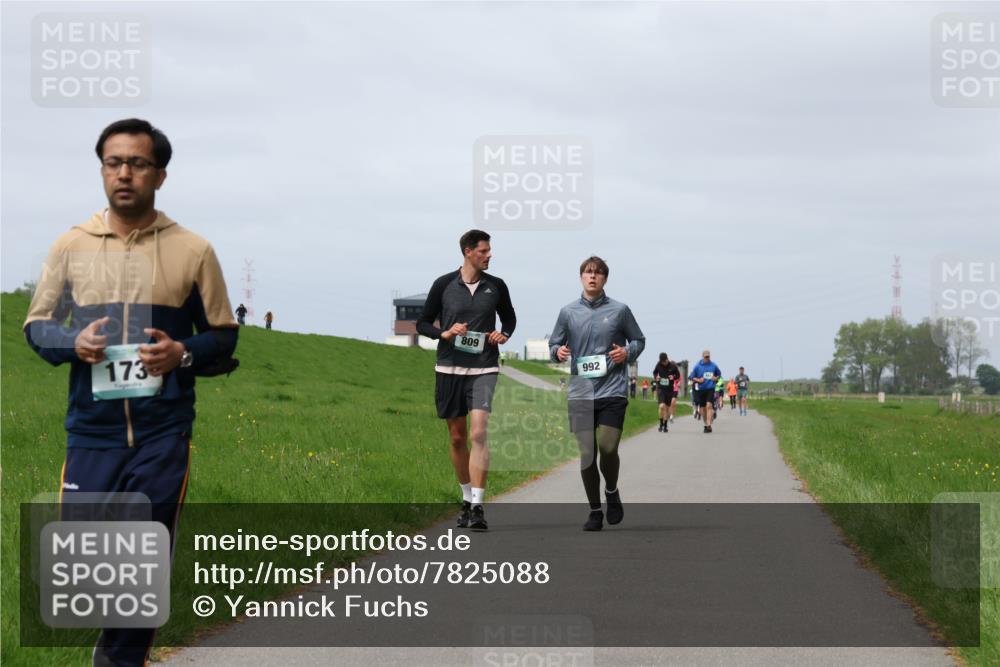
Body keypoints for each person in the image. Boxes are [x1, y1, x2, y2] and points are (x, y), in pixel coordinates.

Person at [24, 118, 239, 667]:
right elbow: (37, 326)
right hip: (90, 432)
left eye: (138, 164)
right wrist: (72, 342)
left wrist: (182, 352)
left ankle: (120, 660)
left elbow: (223, 335)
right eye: (113, 162)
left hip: (162, 432)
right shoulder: (70, 246)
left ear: (159, 175)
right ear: (102, 170)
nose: (124, 173)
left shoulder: (193, 250)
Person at [417, 230, 515, 531]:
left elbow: (509, 318)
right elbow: (422, 323)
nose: (489, 255)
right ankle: (465, 497)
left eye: (489, 250)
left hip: (484, 368)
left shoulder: (496, 286)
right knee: (458, 438)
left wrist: (503, 334)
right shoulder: (443, 284)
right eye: (483, 251)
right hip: (449, 368)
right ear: (468, 252)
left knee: (479, 433)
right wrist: (444, 333)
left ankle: (477, 506)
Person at [549, 256, 645, 531]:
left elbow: (639, 340)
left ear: (605, 279)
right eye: (588, 272)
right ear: (581, 277)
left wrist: (626, 352)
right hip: (580, 392)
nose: (592, 277)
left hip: (612, 390)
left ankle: (611, 491)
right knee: (587, 453)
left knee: (608, 447)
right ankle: (594, 511)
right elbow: (554, 345)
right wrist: (558, 352)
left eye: (598, 273)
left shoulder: (620, 310)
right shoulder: (567, 312)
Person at [689, 350, 722, 433]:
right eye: (706, 357)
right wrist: (698, 380)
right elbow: (691, 377)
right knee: (703, 409)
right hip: (701, 389)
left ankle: (709, 425)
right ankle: (706, 424)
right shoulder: (697, 366)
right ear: (703, 357)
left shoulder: (713, 365)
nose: (707, 358)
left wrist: (716, 378)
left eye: (708, 356)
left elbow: (719, 374)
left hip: (710, 388)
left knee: (709, 406)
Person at [650, 352, 680, 433]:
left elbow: (678, 375)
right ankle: (661, 423)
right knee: (661, 406)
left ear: (667, 359)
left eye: (664, 361)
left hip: (669, 390)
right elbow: (654, 372)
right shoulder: (658, 364)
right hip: (661, 388)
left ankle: (665, 425)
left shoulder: (672, 366)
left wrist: (673, 377)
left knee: (666, 408)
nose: (663, 363)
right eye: (662, 362)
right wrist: (656, 377)